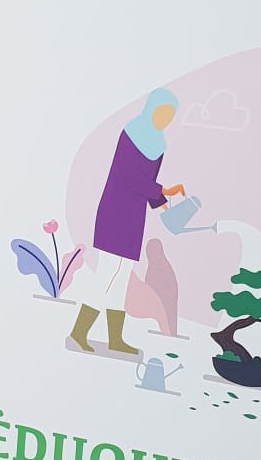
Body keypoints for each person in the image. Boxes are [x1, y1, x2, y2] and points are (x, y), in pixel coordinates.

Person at [70, 89, 185, 356]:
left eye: (170, 115)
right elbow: (131, 176)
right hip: (115, 211)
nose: (165, 119)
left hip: (134, 217)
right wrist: (161, 191)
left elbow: (147, 183)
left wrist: (163, 204)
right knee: (107, 276)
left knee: (121, 279)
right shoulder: (131, 134)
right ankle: (79, 332)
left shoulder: (158, 144)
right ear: (151, 109)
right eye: (162, 112)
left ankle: (115, 339)